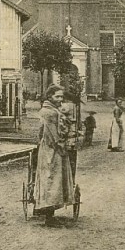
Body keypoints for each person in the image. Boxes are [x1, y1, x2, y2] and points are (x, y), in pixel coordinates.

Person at [33, 84, 74, 227]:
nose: (60, 99)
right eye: (57, 96)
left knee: (50, 179)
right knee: (52, 180)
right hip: (52, 150)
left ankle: (45, 211)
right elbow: (53, 135)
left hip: (47, 148)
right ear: (50, 96)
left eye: (62, 96)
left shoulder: (50, 110)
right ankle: (49, 216)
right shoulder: (50, 113)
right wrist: (61, 147)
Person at [61, 102, 79, 179]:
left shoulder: (68, 120)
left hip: (69, 143)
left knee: (70, 162)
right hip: (65, 143)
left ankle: (71, 180)